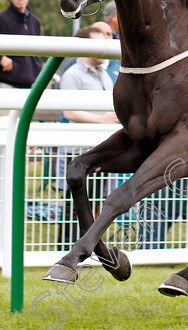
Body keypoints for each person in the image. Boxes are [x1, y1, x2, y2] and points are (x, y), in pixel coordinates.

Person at [55, 26, 118, 245]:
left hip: (100, 149)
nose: (105, 50)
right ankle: (65, 245)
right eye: (99, 45)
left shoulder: (105, 75)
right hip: (80, 150)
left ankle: (87, 245)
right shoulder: (72, 74)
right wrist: (102, 120)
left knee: (96, 202)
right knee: (75, 203)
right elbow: (70, 112)